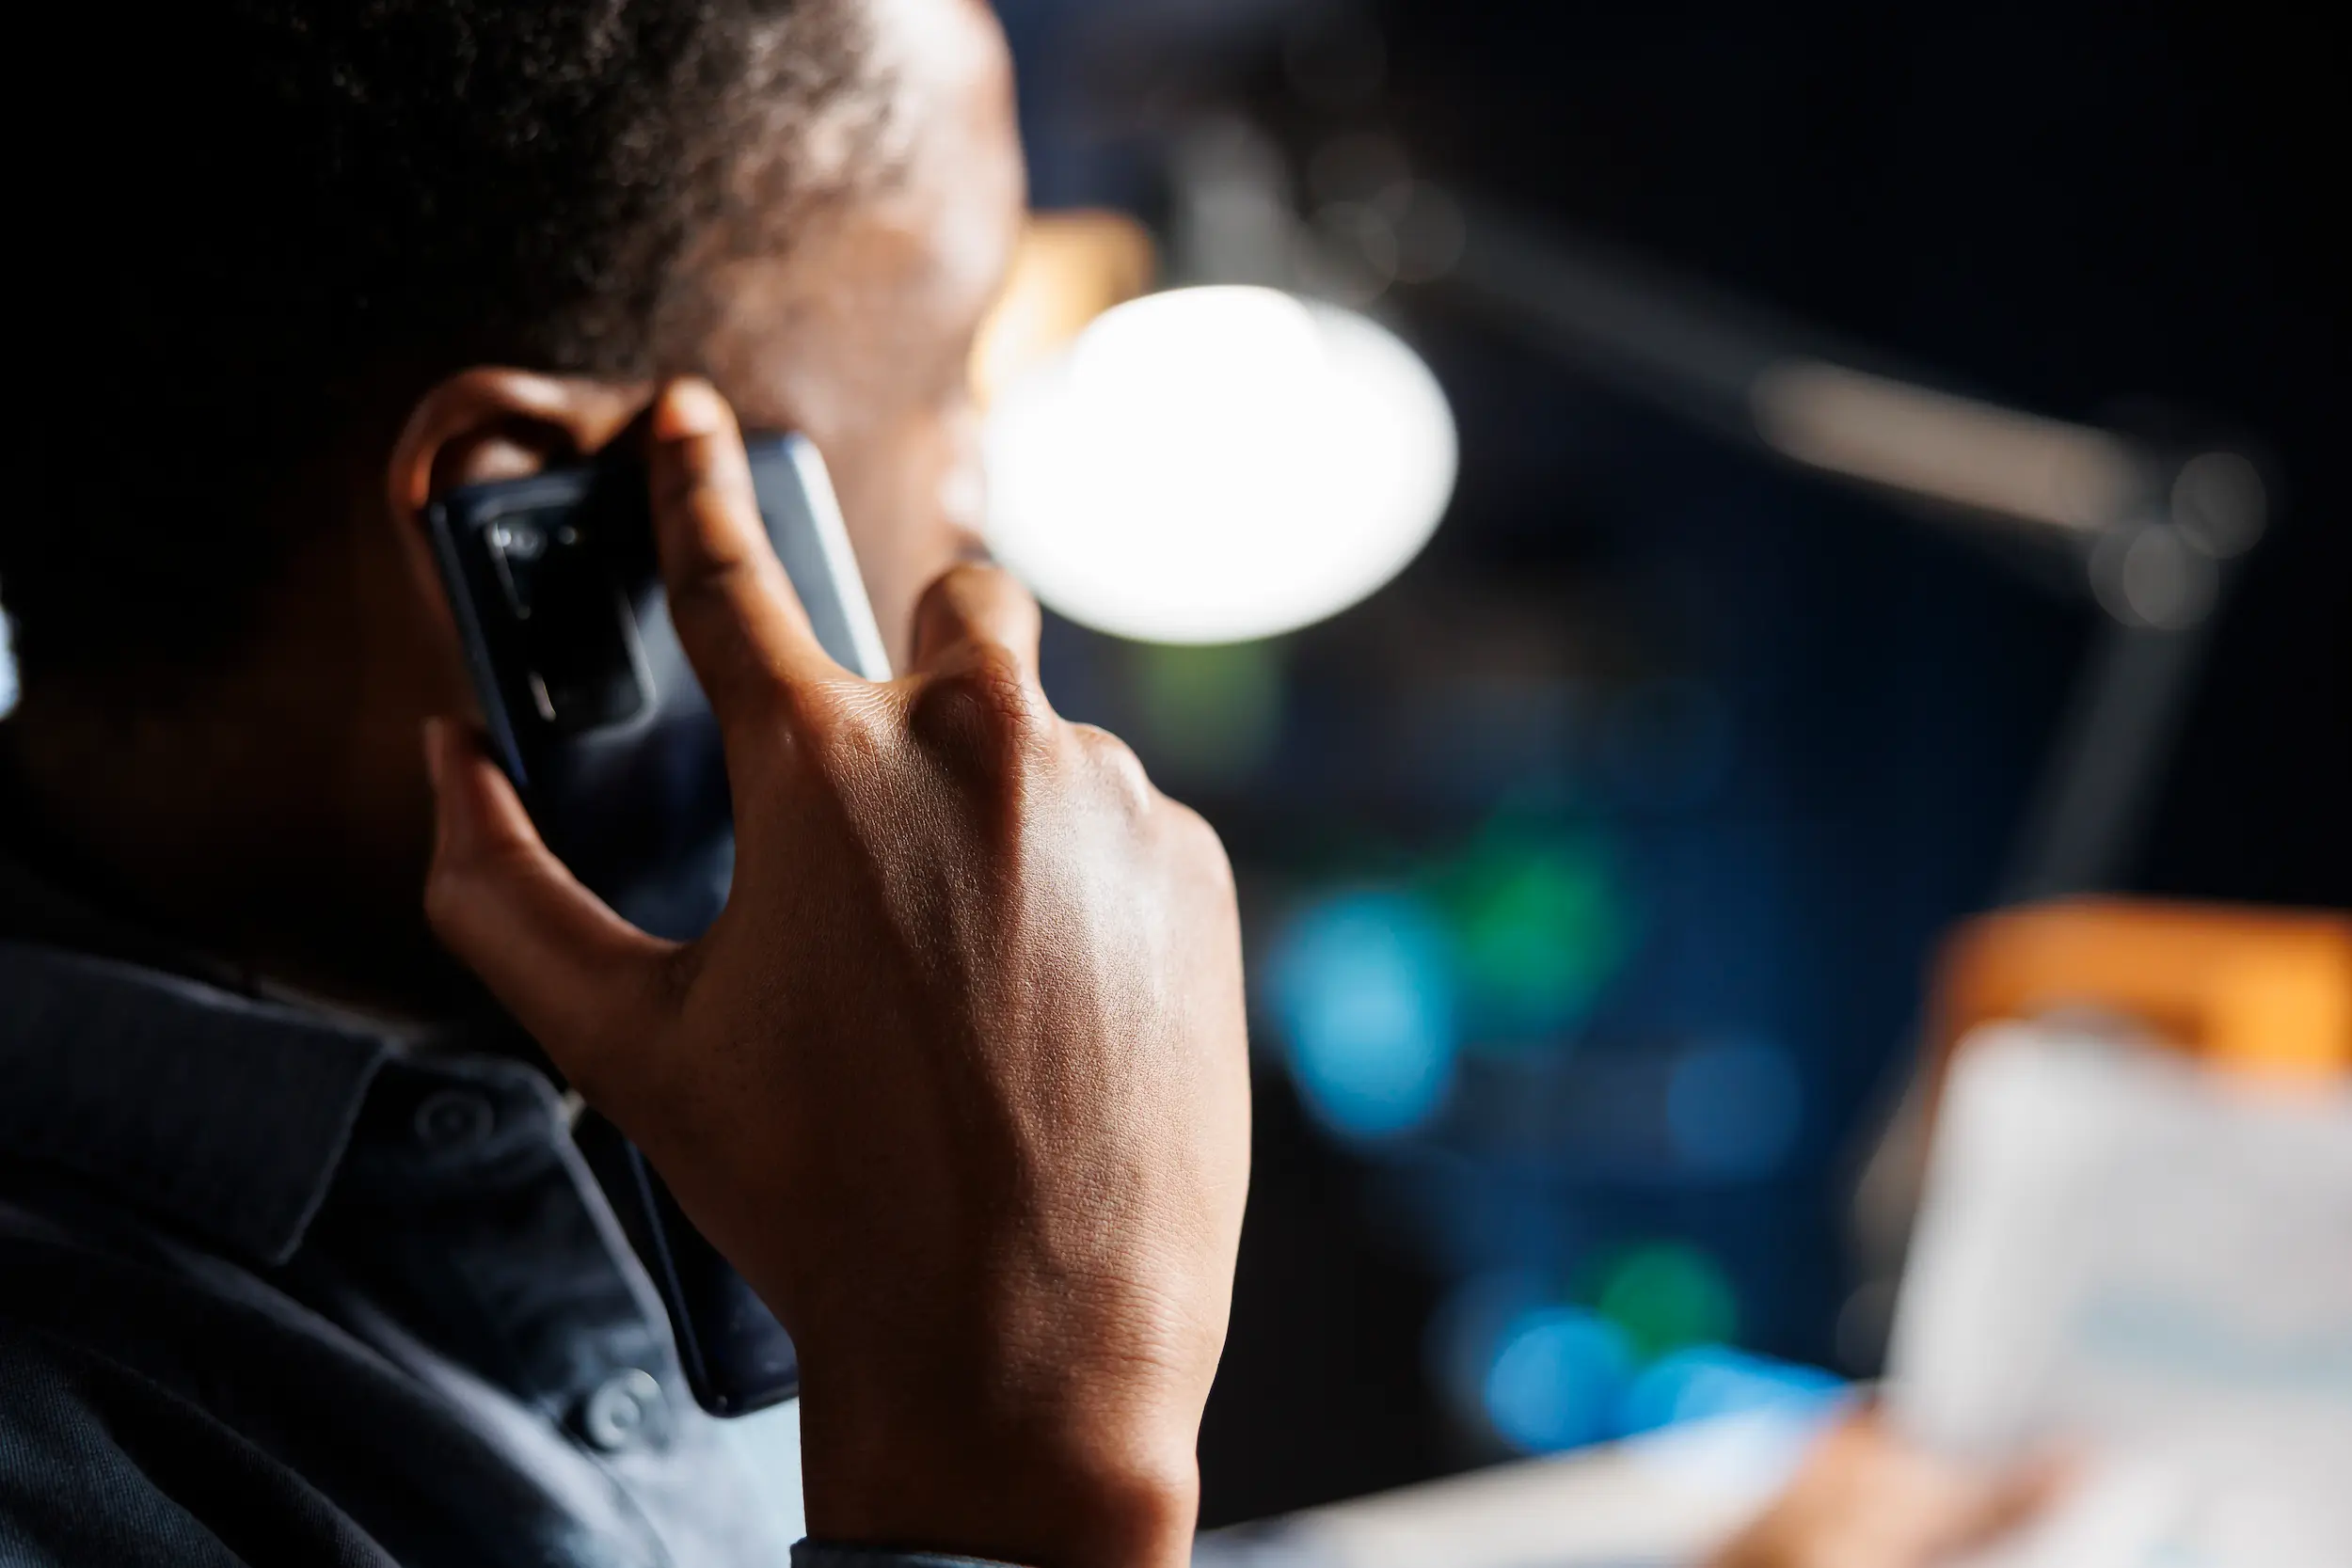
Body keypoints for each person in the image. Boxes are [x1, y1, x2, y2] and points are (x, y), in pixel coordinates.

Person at [2, 3, 1248, 1566]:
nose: (980, 492)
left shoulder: (750, 1064)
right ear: (545, 536)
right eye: (944, 375)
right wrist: (1017, 1474)